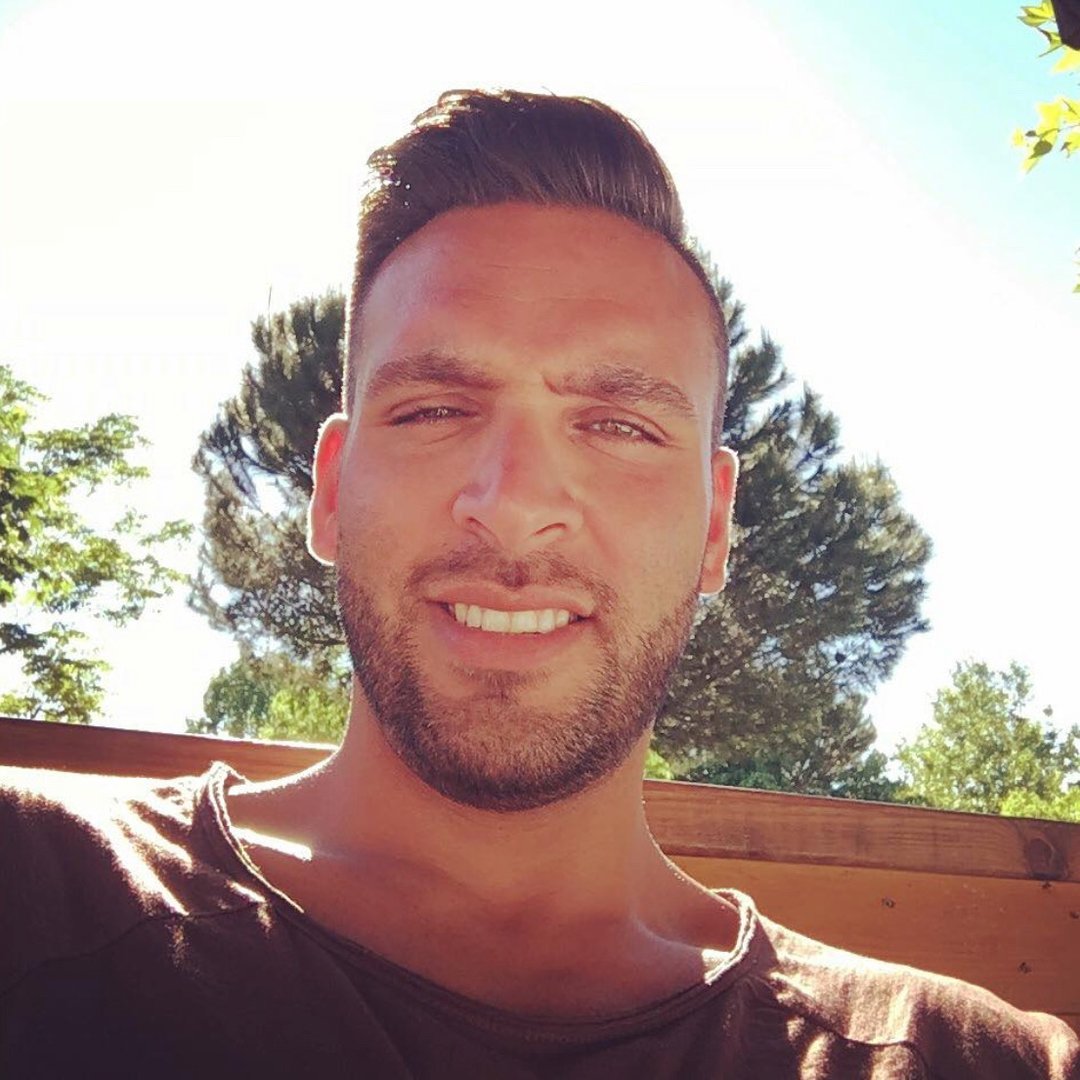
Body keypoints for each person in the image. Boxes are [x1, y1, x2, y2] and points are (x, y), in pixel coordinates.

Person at [1, 89, 1077, 1080]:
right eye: (434, 410)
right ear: (330, 491)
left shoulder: (968, 1061)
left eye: (618, 425)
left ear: (714, 526)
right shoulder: (35, 885)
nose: (513, 503)